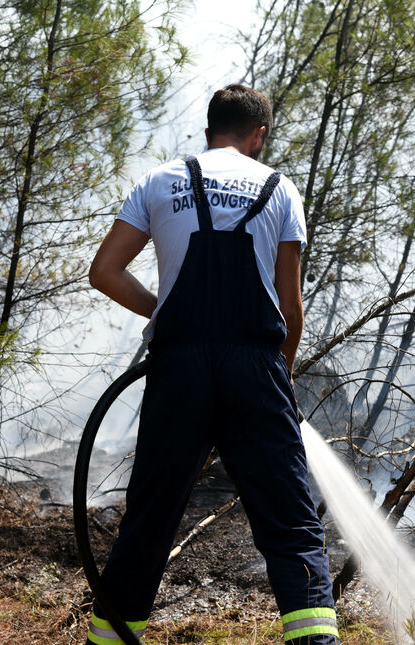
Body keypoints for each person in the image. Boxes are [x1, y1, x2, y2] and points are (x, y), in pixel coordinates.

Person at [85, 84, 338, 645]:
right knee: (293, 529)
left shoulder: (158, 180)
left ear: (208, 130)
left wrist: (169, 313)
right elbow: (288, 305)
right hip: (255, 367)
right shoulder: (280, 188)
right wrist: (281, 381)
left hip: (179, 370)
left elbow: (104, 271)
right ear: (259, 135)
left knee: (147, 525)